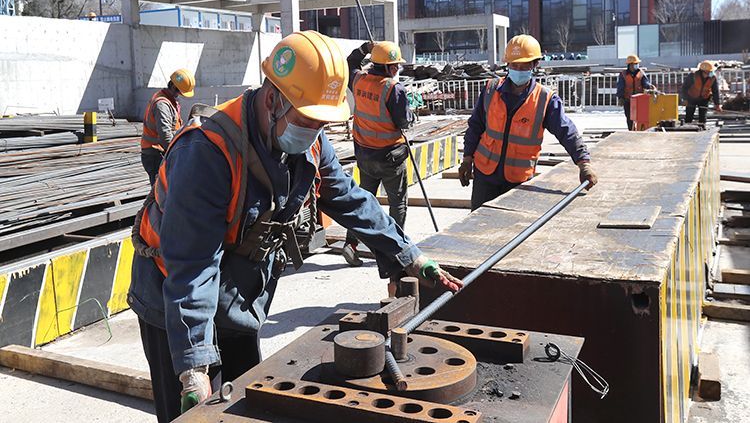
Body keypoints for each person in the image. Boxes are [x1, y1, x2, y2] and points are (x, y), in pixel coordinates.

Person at [128, 31, 462, 422]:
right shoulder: (207, 151)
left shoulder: (310, 140)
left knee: (241, 404)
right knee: (197, 410)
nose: (315, 131)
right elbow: (193, 267)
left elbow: (351, 200)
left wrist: (409, 255)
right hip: (175, 299)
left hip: (235, 293)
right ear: (273, 99)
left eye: (323, 121)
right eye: (309, 119)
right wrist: (193, 368)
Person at [458, 34, 597, 211]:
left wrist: (583, 163)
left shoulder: (545, 100)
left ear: (534, 65)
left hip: (518, 180)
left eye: (524, 65)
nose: (519, 69)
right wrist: (467, 158)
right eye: (515, 65)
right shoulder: (490, 90)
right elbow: (475, 126)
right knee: (477, 227)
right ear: (507, 65)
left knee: (512, 232)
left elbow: (566, 132)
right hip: (485, 175)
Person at [340, 41, 415, 267]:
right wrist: (411, 116)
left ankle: (351, 244)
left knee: (363, 202)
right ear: (391, 68)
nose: (398, 70)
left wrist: (364, 49)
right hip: (391, 157)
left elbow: (350, 62)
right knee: (397, 203)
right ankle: (395, 249)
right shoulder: (394, 88)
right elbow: (403, 121)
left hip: (365, 155)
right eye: (396, 66)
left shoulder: (359, 80)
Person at [140, 69, 195, 184]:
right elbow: (165, 136)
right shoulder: (162, 105)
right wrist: (180, 154)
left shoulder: (167, 99)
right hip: (156, 154)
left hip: (159, 152)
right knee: (161, 193)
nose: (180, 95)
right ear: (174, 88)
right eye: (180, 92)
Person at [616, 55, 653, 130]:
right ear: (629, 65)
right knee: (630, 118)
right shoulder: (623, 74)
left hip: (640, 101)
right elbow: (620, 86)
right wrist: (620, 97)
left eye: (637, 64)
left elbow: (645, 83)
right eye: (634, 64)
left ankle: (641, 131)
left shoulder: (641, 73)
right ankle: (631, 131)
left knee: (642, 118)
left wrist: (650, 87)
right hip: (628, 100)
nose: (636, 66)